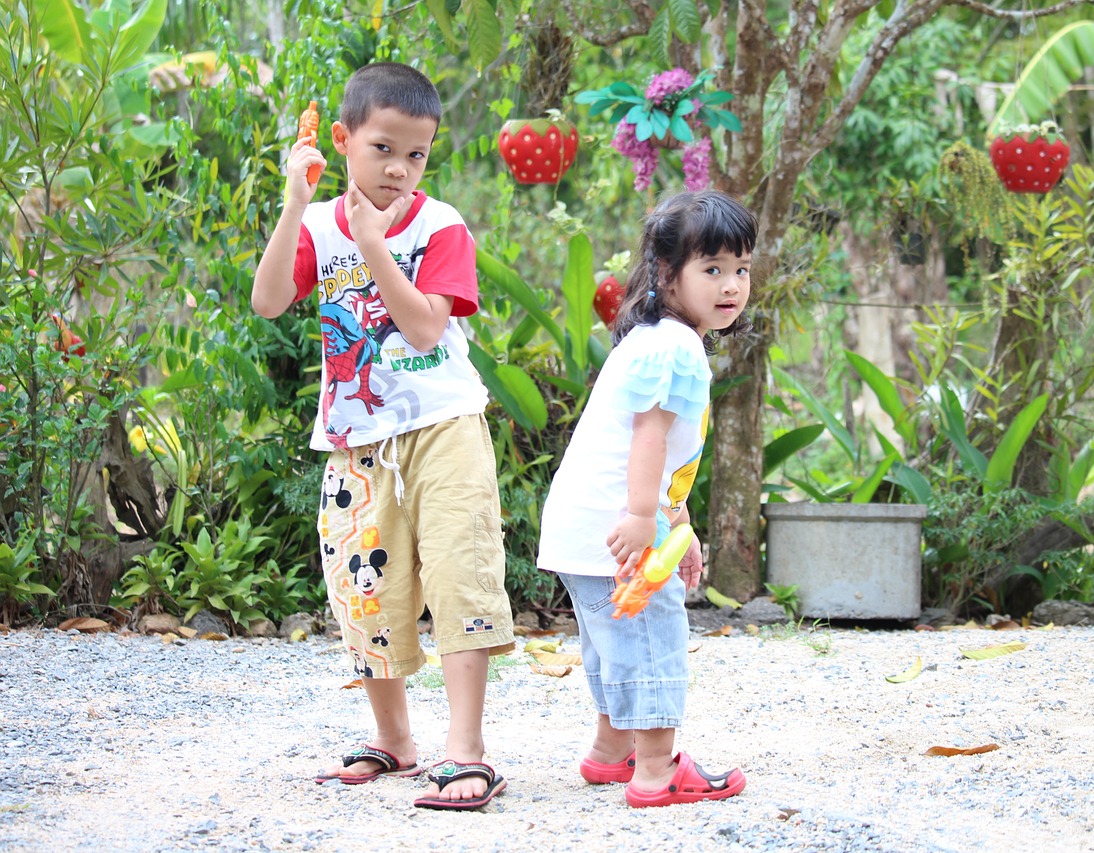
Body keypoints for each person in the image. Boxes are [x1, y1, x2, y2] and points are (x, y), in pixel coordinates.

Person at [251, 61, 514, 810]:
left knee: (462, 571)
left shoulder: (441, 224)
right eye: (383, 149)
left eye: (417, 153)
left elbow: (427, 323)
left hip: (444, 426)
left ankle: (467, 750)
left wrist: (372, 243)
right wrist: (294, 204)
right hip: (354, 437)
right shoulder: (315, 224)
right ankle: (395, 738)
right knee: (364, 587)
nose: (400, 168)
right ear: (342, 140)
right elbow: (269, 301)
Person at [537, 189, 754, 808]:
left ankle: (613, 750)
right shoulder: (675, 346)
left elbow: (668, 461)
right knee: (652, 636)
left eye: (740, 269)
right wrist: (639, 519)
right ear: (666, 274)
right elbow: (649, 439)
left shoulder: (653, 339)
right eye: (711, 269)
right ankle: (657, 770)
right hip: (617, 523)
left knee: (612, 641)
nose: (730, 285)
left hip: (584, 525)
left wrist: (675, 528)